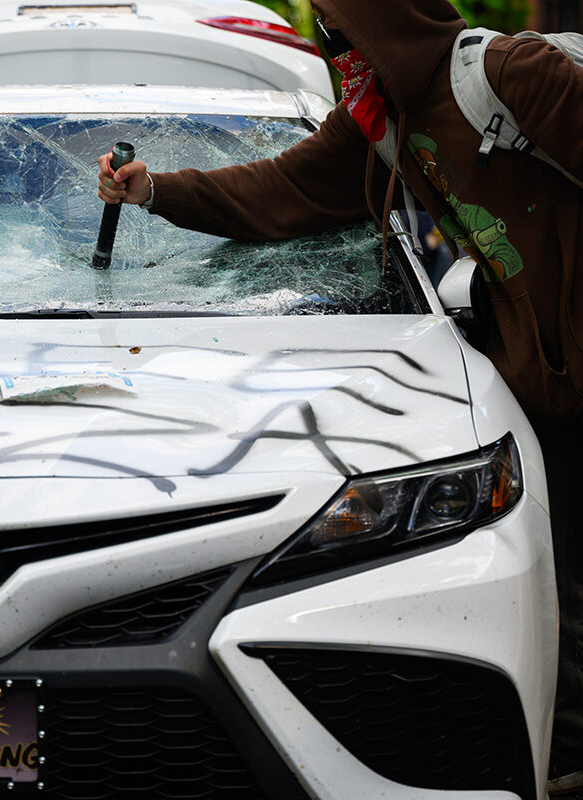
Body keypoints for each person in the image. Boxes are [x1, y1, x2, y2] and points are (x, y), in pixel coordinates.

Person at [98, 0, 583, 793]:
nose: (337, 53)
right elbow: (277, 193)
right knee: (564, 584)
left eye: (342, 30)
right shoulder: (378, 126)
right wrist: (155, 191)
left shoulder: (509, 75)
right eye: (329, 37)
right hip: (546, 388)